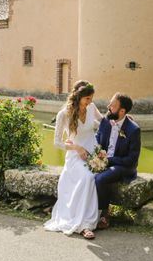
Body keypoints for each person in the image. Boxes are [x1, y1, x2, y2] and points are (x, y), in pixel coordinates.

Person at [44, 81, 103, 239]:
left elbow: (103, 122)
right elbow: (57, 142)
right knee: (87, 177)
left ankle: (94, 220)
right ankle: (84, 224)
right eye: (87, 99)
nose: (89, 102)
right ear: (78, 97)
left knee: (96, 177)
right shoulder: (64, 114)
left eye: (91, 99)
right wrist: (77, 148)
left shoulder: (92, 108)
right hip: (75, 156)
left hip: (94, 153)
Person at [94, 93, 141, 230]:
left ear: (122, 111)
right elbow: (97, 141)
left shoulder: (133, 130)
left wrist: (109, 160)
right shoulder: (104, 122)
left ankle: (104, 213)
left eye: (112, 106)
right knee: (82, 172)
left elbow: (132, 159)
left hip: (122, 166)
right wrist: (97, 154)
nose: (108, 107)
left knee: (101, 179)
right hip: (102, 161)